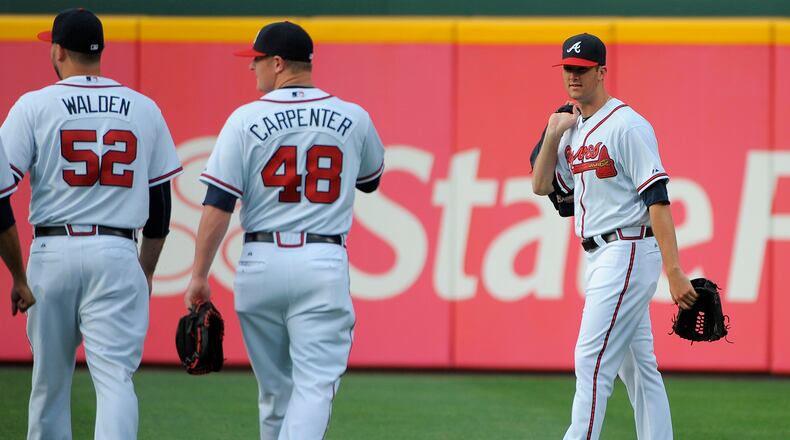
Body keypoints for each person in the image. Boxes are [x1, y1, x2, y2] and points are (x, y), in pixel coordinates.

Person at [184, 21, 385, 440]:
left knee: (275, 392)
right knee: (313, 387)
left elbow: (218, 205)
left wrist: (199, 275)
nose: (251, 68)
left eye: (256, 60)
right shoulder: (353, 115)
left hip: (260, 262)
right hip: (321, 260)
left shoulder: (244, 119)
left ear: (277, 63)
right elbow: (370, 180)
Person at [0, 8, 182, 439]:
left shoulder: (35, 105)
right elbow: (160, 205)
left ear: (58, 51)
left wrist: (18, 275)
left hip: (53, 252)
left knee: (49, 382)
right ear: (100, 52)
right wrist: (147, 269)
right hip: (117, 251)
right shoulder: (143, 108)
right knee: (116, 379)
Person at [531, 33, 698, 440]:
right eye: (569, 69)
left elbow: (657, 199)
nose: (574, 76)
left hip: (628, 249)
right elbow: (541, 186)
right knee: (639, 369)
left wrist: (674, 271)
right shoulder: (571, 127)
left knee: (590, 359)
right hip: (601, 255)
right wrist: (554, 133)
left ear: (602, 72)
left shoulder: (628, 125)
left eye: (583, 69)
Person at [0, 138, 36, 316]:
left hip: (54, 249)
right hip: (117, 247)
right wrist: (20, 279)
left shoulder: (32, 109)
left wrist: (19, 278)